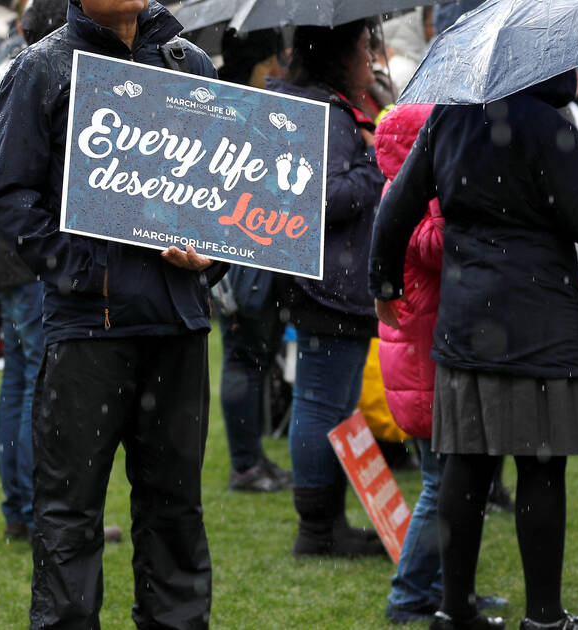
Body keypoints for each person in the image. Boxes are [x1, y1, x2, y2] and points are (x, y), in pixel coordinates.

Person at [370, 68, 578, 630]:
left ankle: (454, 610)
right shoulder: (550, 122)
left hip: (468, 322)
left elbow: (397, 204)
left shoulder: (452, 113)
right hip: (536, 325)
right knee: (539, 471)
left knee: (465, 470)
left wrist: (383, 286)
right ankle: (543, 618)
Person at [0, 1, 222, 627]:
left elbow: (228, 201)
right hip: (90, 330)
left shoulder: (189, 63)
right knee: (69, 513)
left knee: (176, 512)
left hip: (177, 326)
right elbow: (10, 198)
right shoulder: (42, 69)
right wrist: (88, 273)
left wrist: (212, 260)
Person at [373, 103, 509, 625]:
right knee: (441, 483)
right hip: (425, 370)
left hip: (424, 362)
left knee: (457, 482)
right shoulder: (410, 200)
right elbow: (439, 244)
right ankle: (409, 595)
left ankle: (450, 590)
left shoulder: (407, 194)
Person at [0, 0, 94, 542]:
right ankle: (39, 509)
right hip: (30, 258)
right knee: (39, 390)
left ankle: (21, 507)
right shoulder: (32, 78)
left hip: (6, 255)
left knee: (18, 385)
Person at [265, 20, 388, 559]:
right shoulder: (323, 112)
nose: (371, 56)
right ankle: (316, 529)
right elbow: (326, 195)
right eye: (364, 47)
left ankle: (327, 523)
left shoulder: (313, 105)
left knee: (332, 403)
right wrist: (375, 164)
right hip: (329, 285)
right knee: (320, 403)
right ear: (339, 54)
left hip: (326, 282)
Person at [215, 27, 294, 493]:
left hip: (243, 250)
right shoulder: (243, 110)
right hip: (242, 251)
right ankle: (246, 464)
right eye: (272, 63)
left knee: (249, 358)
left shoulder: (225, 101)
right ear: (259, 63)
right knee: (243, 358)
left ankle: (253, 458)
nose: (279, 70)